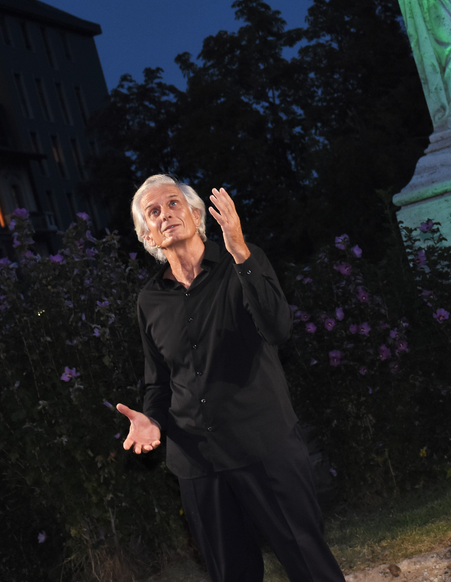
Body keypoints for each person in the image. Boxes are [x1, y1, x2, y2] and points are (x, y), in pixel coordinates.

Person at [114, 174, 345, 582]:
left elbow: (278, 330)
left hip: (264, 446)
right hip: (197, 464)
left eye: (173, 204)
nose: (165, 215)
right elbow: (159, 381)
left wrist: (238, 248)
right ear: (146, 235)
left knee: (309, 564)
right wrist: (151, 419)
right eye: (153, 212)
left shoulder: (242, 262)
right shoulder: (149, 300)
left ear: (197, 215)